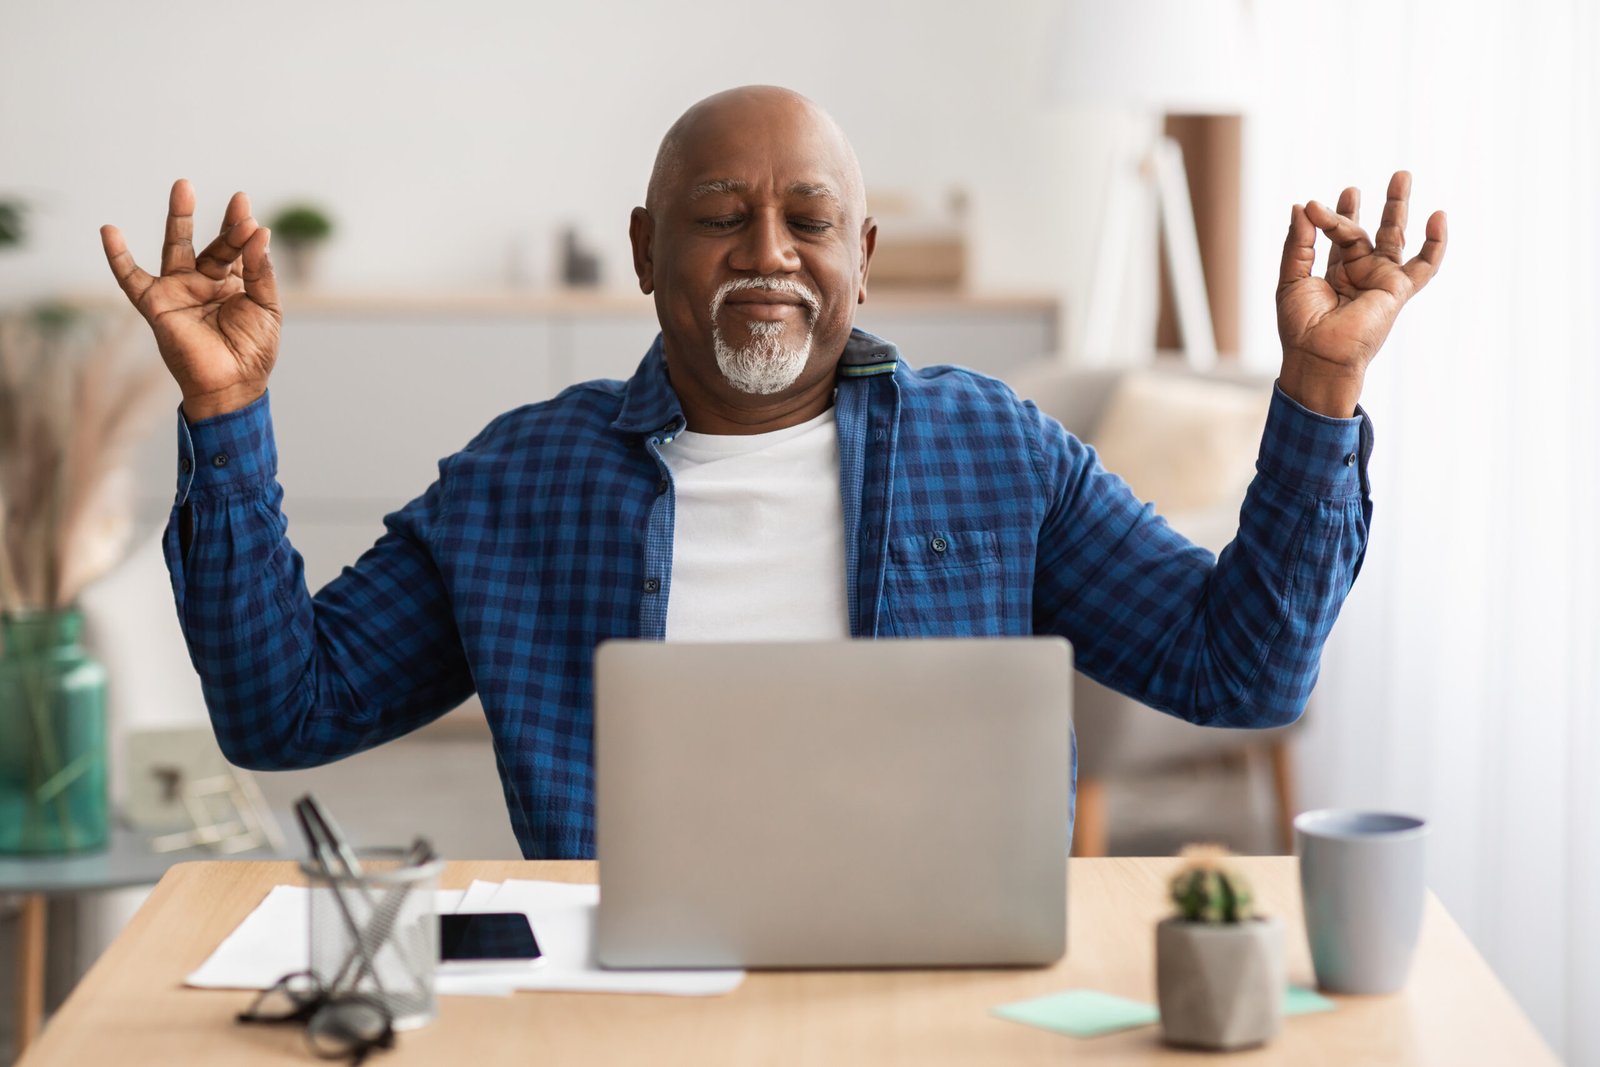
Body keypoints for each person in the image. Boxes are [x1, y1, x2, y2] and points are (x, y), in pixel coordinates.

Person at [99, 86, 1446, 859]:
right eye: (718, 217)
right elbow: (284, 714)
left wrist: (1321, 388)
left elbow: (1245, 670)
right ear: (643, 250)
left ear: (861, 257)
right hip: (620, 997)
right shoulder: (522, 482)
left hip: (946, 993)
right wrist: (227, 413)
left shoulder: (995, 449)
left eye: (807, 219)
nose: (767, 250)